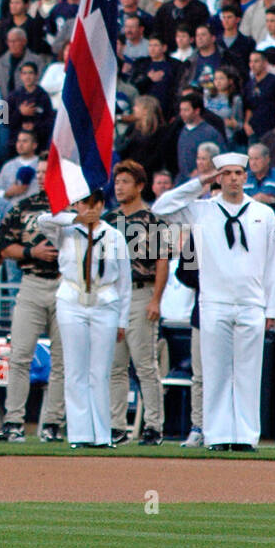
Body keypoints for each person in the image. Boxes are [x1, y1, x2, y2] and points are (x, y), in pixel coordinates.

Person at [152, 152, 275, 450]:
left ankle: (246, 436)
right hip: (214, 303)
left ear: (246, 177)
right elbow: (161, 208)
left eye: (238, 173)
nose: (233, 178)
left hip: (251, 303)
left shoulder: (263, 213)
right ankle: (218, 435)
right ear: (219, 178)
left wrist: (272, 308)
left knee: (248, 373)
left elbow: (273, 265)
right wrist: (200, 182)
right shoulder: (203, 210)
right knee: (216, 372)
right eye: (226, 174)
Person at [36, 190, 131, 448]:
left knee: (99, 372)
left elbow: (124, 281)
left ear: (101, 205)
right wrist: (75, 219)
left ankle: (102, 434)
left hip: (104, 301)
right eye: (83, 204)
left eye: (94, 204)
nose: (89, 209)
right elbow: (42, 221)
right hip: (72, 299)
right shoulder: (66, 230)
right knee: (75, 369)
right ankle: (80, 434)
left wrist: (123, 320)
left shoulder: (115, 236)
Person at [0, 158, 65, 442]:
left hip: (65, 286)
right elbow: (1, 245)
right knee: (20, 355)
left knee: (62, 360)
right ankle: (14, 421)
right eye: (37, 173)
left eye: (45, 172)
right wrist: (30, 253)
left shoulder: (73, 205)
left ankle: (52, 423)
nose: (40, 177)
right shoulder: (23, 207)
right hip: (32, 283)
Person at [107, 161, 170, 446]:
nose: (119, 187)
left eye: (125, 182)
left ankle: (154, 426)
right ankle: (116, 425)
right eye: (117, 181)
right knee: (115, 365)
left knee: (145, 364)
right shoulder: (108, 220)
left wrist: (156, 299)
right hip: (112, 296)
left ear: (140, 186)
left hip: (141, 291)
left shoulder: (153, 220)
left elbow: (162, 262)